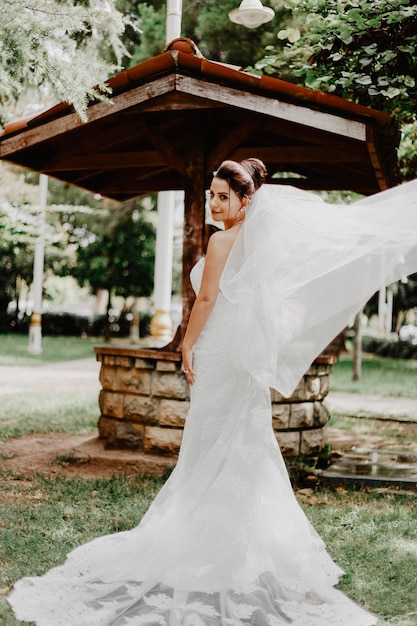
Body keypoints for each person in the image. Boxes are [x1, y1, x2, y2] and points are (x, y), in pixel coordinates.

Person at [8, 159, 417, 625]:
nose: (215, 203)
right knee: (244, 442)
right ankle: (239, 541)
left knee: (211, 442)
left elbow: (206, 300)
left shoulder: (223, 241)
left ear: (246, 200)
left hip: (223, 355)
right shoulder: (263, 243)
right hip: (240, 358)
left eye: (224, 196)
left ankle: (210, 541)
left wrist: (186, 343)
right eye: (212, 195)